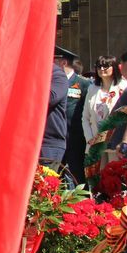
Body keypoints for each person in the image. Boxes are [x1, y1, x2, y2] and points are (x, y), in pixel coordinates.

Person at [56, 47, 91, 182]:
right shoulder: (53, 82)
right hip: (58, 136)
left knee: (77, 175)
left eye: (55, 61)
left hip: (76, 138)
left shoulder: (83, 83)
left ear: (63, 63)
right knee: (55, 175)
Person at [81, 54, 126, 143]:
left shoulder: (123, 86)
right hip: (94, 141)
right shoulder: (92, 88)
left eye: (105, 66)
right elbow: (85, 117)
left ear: (114, 67)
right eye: (99, 66)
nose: (101, 69)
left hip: (115, 140)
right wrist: (89, 138)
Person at [40, 52, 69, 170]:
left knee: (44, 181)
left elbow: (49, 98)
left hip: (49, 143)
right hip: (27, 140)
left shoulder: (57, 75)